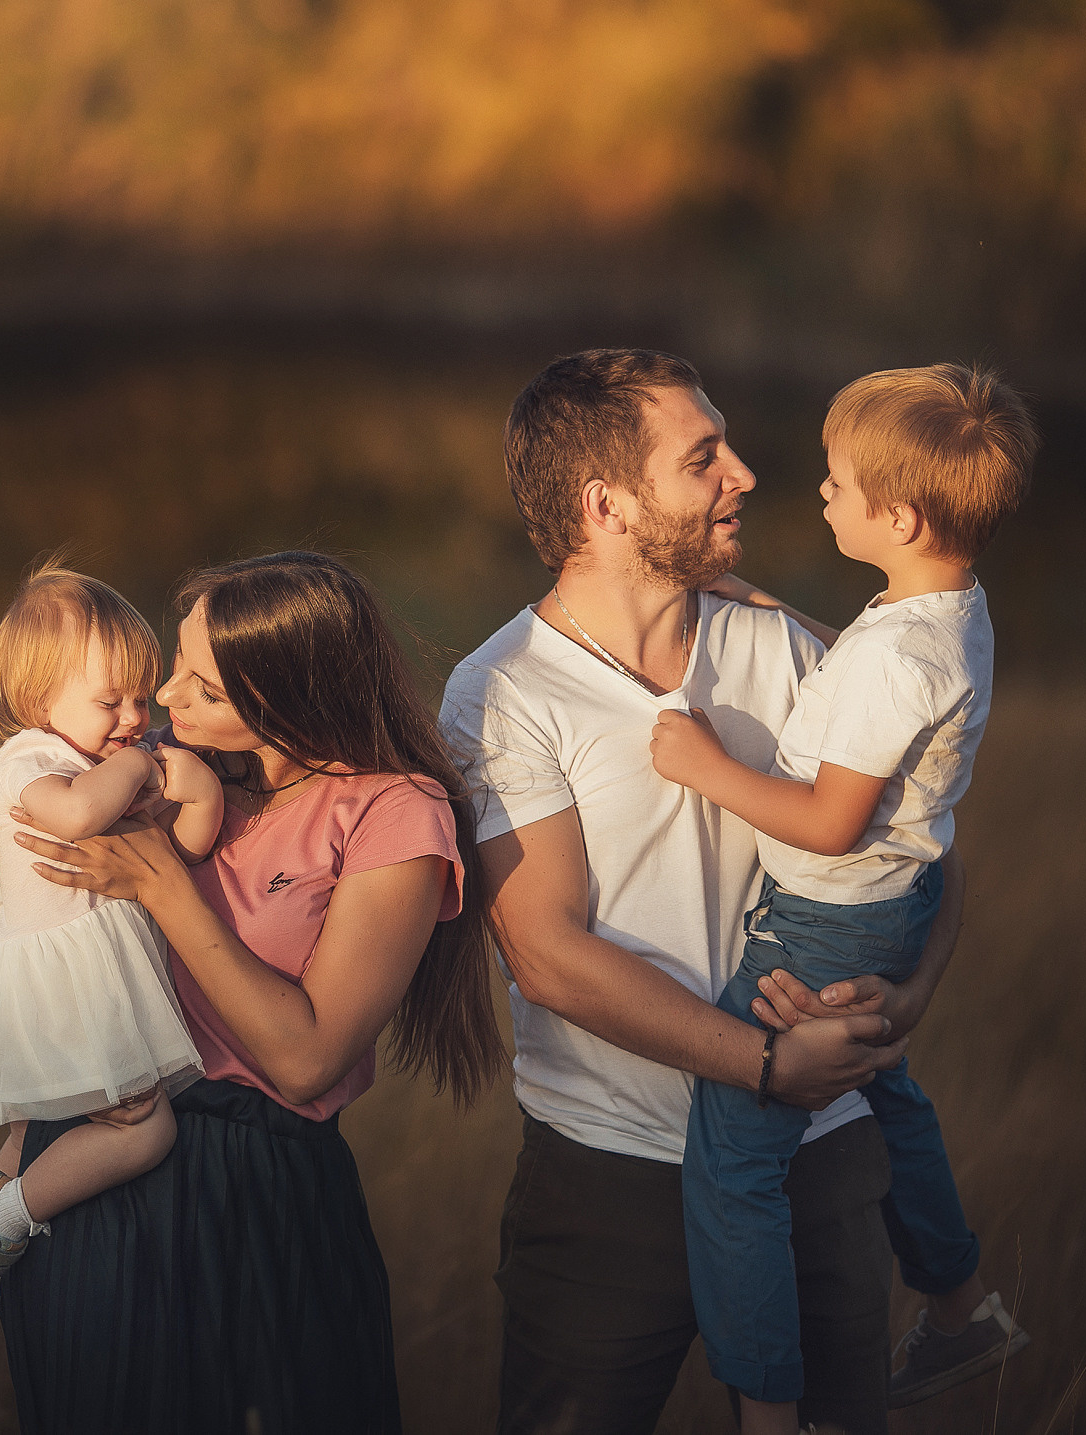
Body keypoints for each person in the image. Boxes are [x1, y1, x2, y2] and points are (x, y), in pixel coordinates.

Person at [440, 349, 970, 1435]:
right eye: (702, 459)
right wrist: (768, 1064)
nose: (743, 473)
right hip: (607, 1179)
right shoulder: (503, 692)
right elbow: (546, 953)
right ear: (607, 506)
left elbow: (928, 852)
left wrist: (901, 1009)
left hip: (820, 1161)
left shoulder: (785, 648)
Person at [2, 551, 506, 1435]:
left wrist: (161, 882)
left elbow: (307, 1059)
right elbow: (16, 909)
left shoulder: (393, 812)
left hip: (258, 1187)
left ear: (284, 693)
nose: (163, 695)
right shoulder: (159, 771)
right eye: (178, 665)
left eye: (202, 683)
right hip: (97, 1163)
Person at [648, 365, 1035, 1427]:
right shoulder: (945, 609)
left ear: (899, 516)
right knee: (885, 1085)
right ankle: (958, 1302)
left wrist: (700, 765)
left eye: (836, 481)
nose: (816, 492)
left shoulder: (897, 661)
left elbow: (827, 820)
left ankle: (770, 1410)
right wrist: (768, 603)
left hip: (828, 915)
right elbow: (874, 669)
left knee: (730, 1156)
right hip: (884, 905)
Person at [0, 561, 216, 1303]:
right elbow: (73, 816)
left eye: (141, 696)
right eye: (110, 700)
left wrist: (192, 792)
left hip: (91, 976)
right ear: (41, 699)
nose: (133, 716)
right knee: (144, 1129)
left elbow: (186, 854)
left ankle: (0, 1198)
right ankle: (8, 1217)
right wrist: (141, 765)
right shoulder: (31, 760)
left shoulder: (103, 762)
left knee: (45, 1119)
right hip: (57, 984)